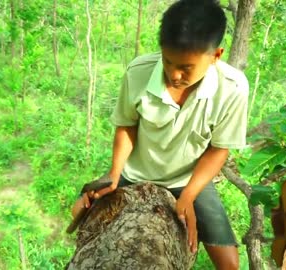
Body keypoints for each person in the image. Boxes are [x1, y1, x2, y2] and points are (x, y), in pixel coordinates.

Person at [72, 0, 248, 269]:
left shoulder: (233, 89)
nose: (174, 74)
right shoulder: (139, 72)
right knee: (78, 214)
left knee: (230, 265)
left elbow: (219, 149)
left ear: (216, 55)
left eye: (186, 68)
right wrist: (115, 173)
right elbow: (127, 126)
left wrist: (189, 195)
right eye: (168, 61)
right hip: (135, 175)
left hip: (188, 178)